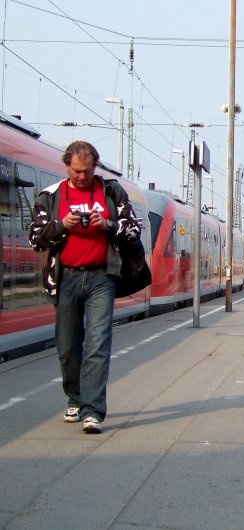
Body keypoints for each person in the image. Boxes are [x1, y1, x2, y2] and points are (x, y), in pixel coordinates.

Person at [29, 141, 142, 434]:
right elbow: (35, 239)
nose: (82, 176)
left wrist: (106, 225)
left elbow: (133, 229)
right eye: (77, 171)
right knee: (67, 346)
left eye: (88, 171)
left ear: (95, 168)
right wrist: (61, 225)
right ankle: (75, 398)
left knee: (97, 344)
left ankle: (93, 411)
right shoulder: (50, 197)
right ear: (67, 167)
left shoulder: (110, 191)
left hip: (101, 277)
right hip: (65, 277)